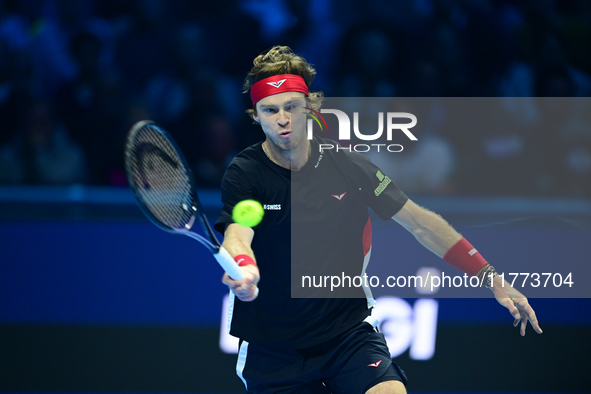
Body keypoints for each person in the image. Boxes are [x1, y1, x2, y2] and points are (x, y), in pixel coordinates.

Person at [214, 46, 542, 394]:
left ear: (310, 107)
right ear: (256, 115)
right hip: (274, 350)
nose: (283, 119)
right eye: (270, 110)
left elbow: (420, 222)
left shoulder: (347, 165)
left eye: (292, 107)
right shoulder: (245, 173)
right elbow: (238, 232)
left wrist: (490, 277)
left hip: (346, 333)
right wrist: (243, 265)